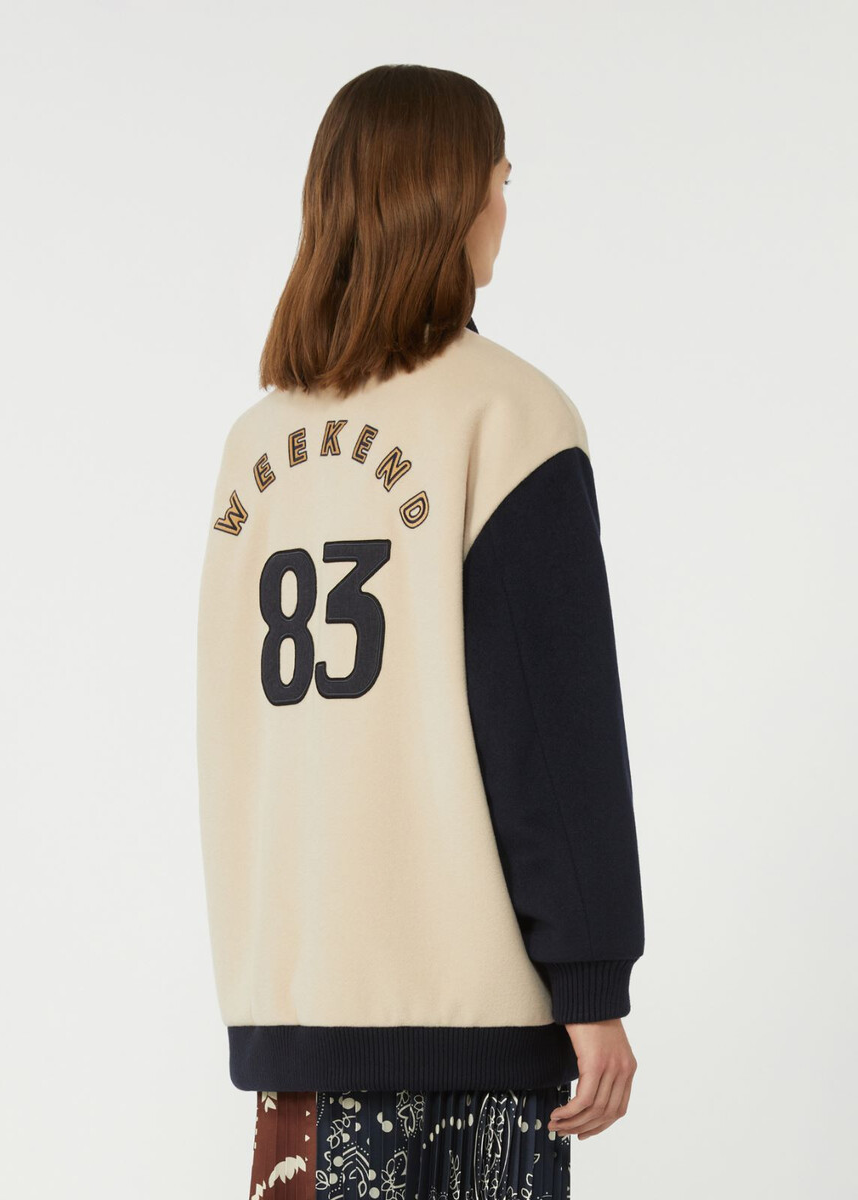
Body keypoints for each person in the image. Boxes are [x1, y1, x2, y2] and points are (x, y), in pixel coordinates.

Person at [196, 63, 645, 1200]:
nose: (505, 209)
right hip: (471, 1030)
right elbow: (550, 728)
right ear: (448, 199)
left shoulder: (256, 449)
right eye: (501, 180)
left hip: (298, 1018)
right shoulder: (507, 415)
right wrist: (592, 979)